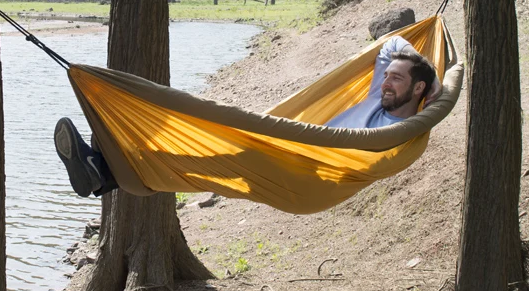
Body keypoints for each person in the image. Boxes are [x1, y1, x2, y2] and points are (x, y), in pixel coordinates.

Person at [54, 34, 440, 198]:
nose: (385, 83)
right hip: (291, 144)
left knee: (225, 156)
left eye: (396, 79)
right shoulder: (386, 94)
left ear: (416, 90)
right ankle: (108, 173)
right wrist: (435, 79)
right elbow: (392, 43)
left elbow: (373, 158)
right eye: (385, 76)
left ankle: (109, 172)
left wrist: (435, 98)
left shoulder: (400, 131)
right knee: (217, 161)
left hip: (311, 171)